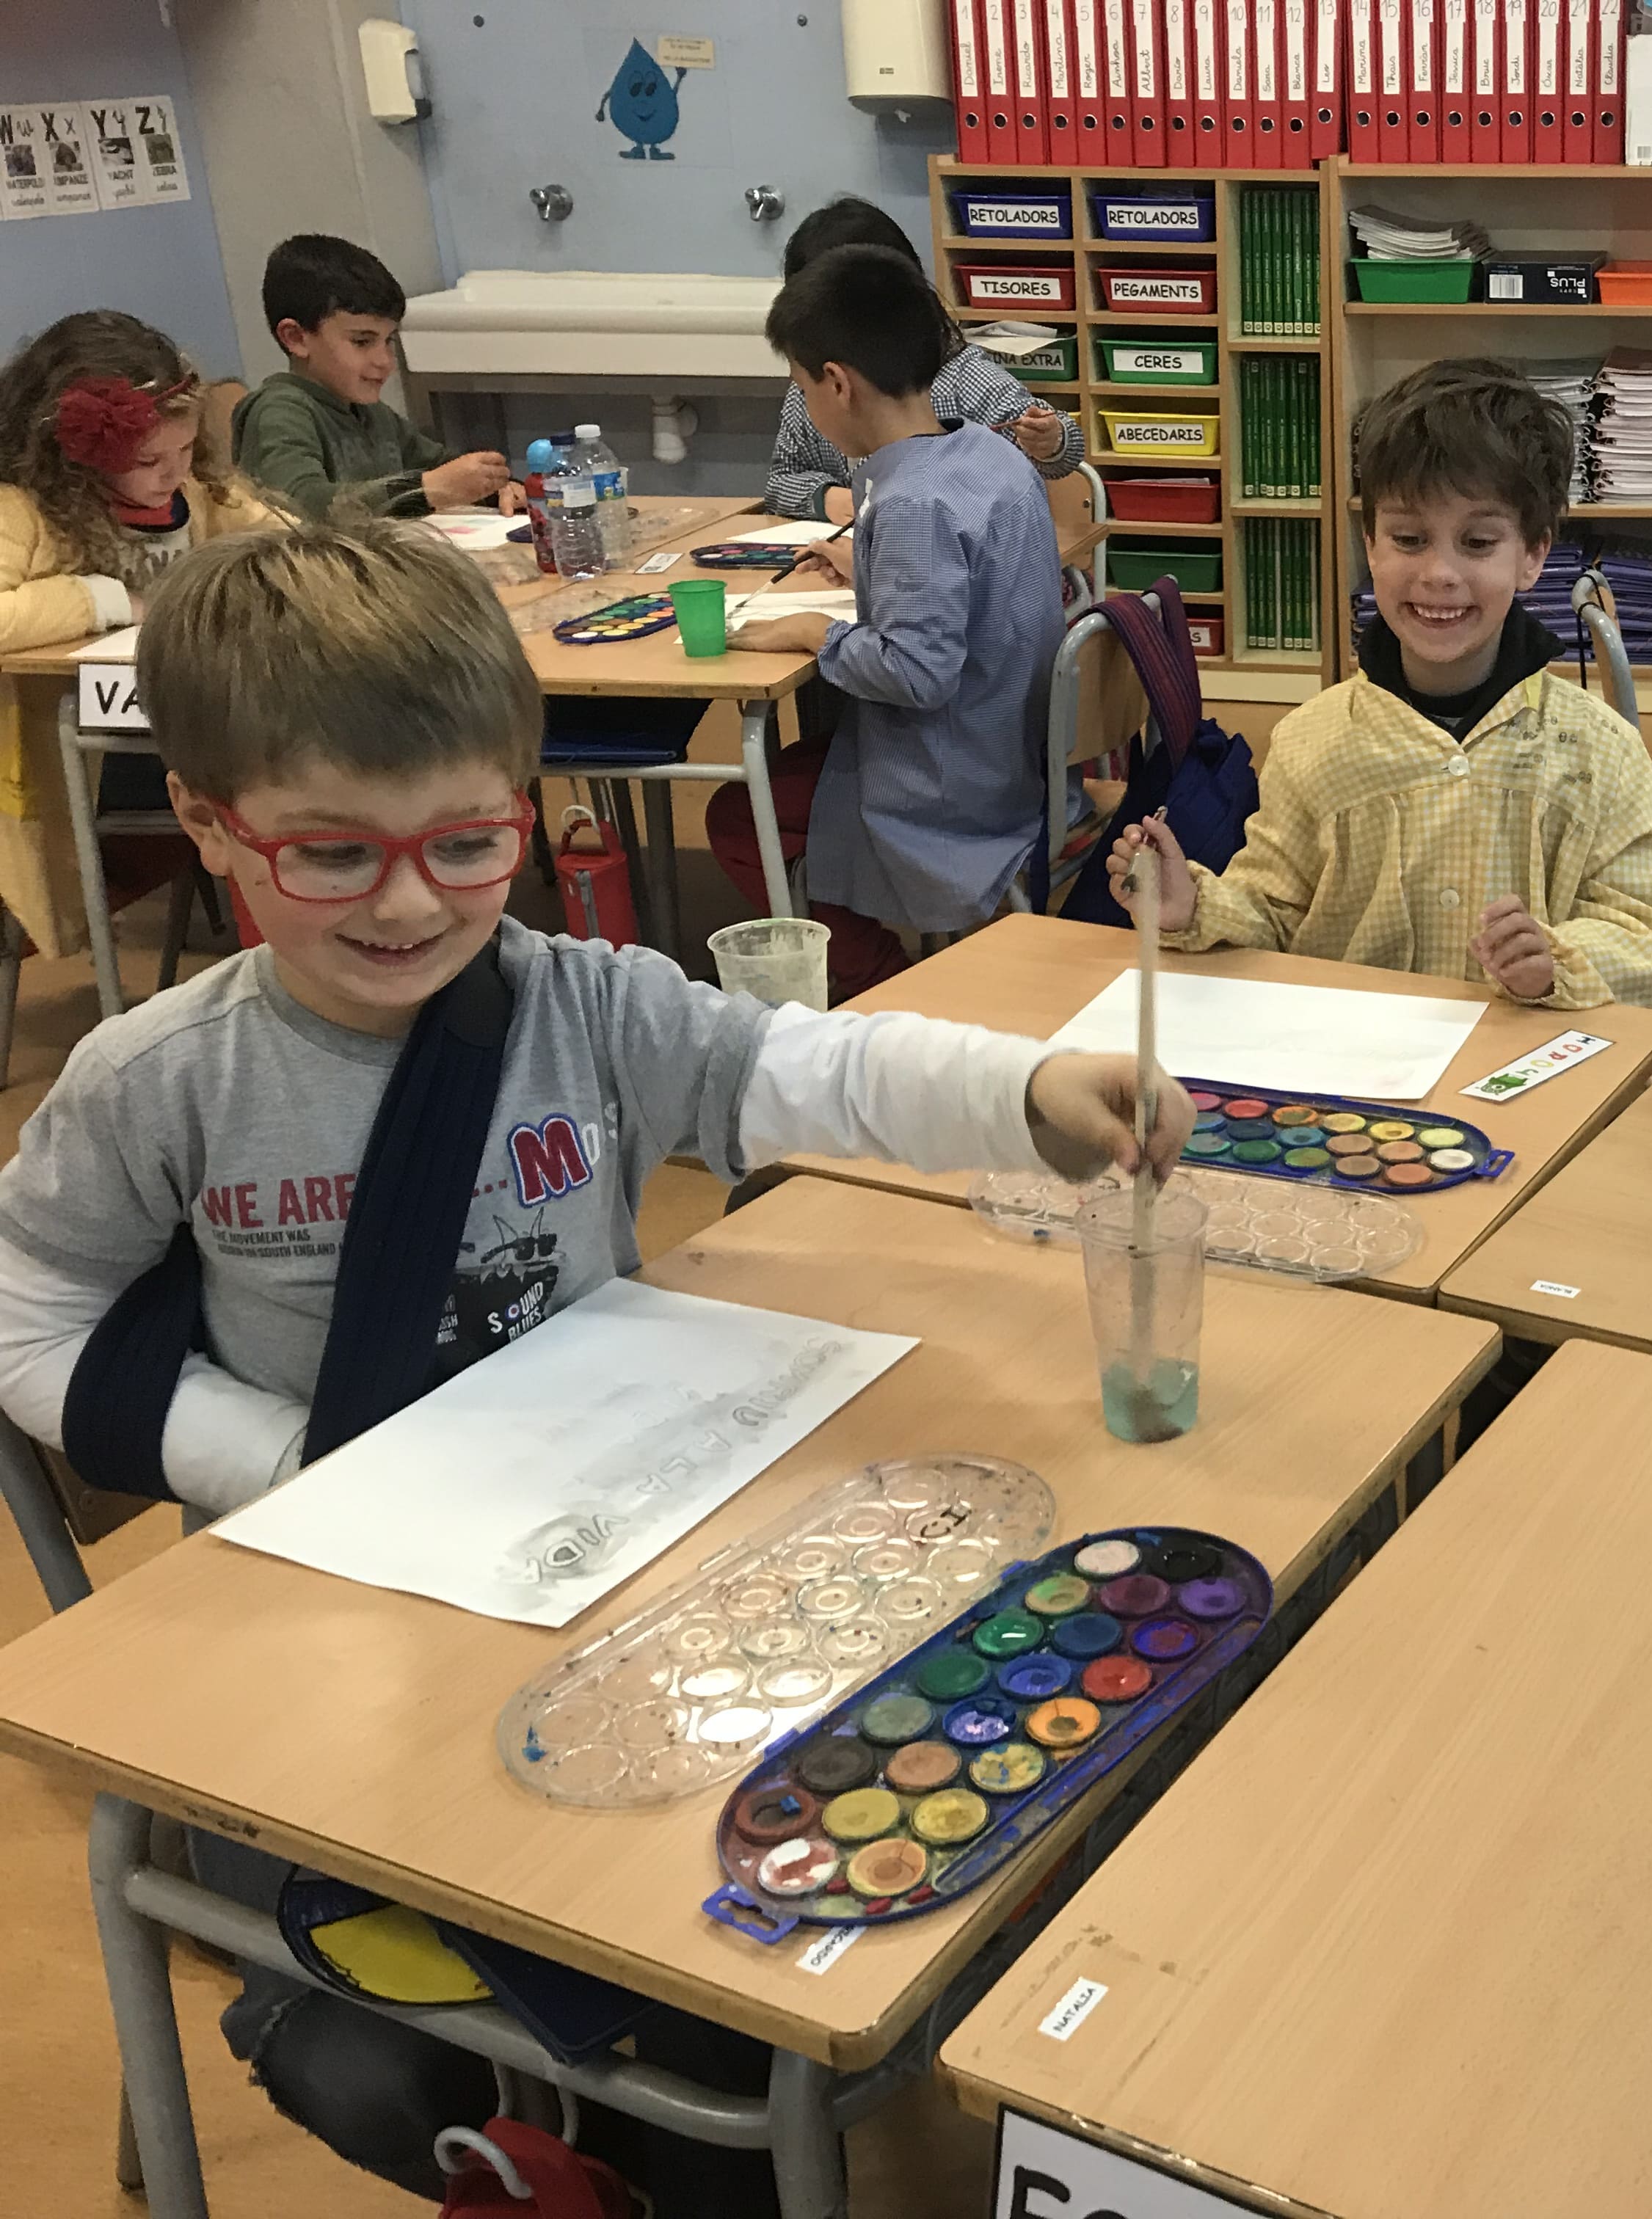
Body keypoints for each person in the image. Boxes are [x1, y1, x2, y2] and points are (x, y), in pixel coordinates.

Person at [0, 519, 1188, 2209]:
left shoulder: (579, 1005)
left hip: (615, 1599)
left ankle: (667, 2128)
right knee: (434, 2051)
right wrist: (272, 1462)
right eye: (332, 855)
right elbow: (27, 1306)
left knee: (866, 1870)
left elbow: (804, 1069)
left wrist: (1022, 1097)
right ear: (205, 819)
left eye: (467, 843)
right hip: (326, 1646)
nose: (410, 903)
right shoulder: (159, 1083)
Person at [1106, 359, 1652, 1010]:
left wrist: (1556, 963)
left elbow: (1650, 941)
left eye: (1478, 542)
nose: (1439, 574)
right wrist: (1193, 905)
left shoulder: (1601, 749)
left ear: (1533, 555)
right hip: (1356, 1057)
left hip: (1525, 1058)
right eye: (1409, 539)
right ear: (1371, 544)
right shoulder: (1312, 740)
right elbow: (1274, 912)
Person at [717, 244, 1065, 998]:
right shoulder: (987, 452)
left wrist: (815, 631)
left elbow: (917, 673)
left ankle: (887, 987)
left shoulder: (911, 502)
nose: (809, 404)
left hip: (954, 782)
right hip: (1013, 750)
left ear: (837, 383)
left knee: (737, 816)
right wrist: (872, 569)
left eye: (803, 388)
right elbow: (977, 586)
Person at [0, 310, 285, 903]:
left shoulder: (198, 493)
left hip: (191, 718)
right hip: (100, 754)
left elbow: (287, 544)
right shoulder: (20, 511)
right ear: (73, 456)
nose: (173, 472)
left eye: (185, 448)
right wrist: (111, 600)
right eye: (146, 461)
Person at [763, 195, 1082, 521]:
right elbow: (781, 481)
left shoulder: (963, 380)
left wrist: (1050, 440)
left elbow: (1060, 446)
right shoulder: (814, 384)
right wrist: (832, 499)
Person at [229, 233, 521, 522]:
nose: (385, 361)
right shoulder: (278, 412)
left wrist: (493, 487)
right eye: (362, 341)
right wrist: (426, 491)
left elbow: (440, 465)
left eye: (388, 340)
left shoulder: (372, 413)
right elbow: (299, 507)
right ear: (296, 338)